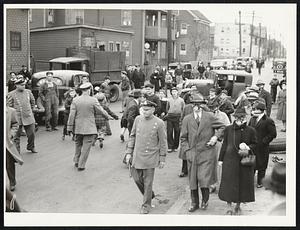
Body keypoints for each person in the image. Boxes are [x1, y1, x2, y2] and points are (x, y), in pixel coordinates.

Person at [180, 94, 225, 212]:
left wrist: (215, 137)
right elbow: (183, 138)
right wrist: (187, 151)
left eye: (199, 104)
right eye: (194, 104)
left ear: (203, 105)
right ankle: (194, 203)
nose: (197, 107)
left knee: (204, 179)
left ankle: (205, 201)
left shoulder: (209, 117)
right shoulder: (187, 119)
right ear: (191, 105)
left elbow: (222, 127)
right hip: (192, 154)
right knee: (193, 180)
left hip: (207, 152)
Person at [125, 100, 167, 214]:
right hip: (137, 156)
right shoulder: (138, 119)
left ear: (153, 110)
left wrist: (162, 158)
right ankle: (150, 195)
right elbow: (132, 136)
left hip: (150, 156)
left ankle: (146, 205)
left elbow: (163, 142)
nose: (145, 111)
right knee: (137, 178)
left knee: (148, 182)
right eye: (143, 109)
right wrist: (129, 152)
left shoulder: (159, 123)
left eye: (147, 109)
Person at [218, 107, 257, 215]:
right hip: (229, 160)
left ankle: (238, 206)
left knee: (242, 184)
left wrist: (248, 147)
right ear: (234, 118)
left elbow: (255, 144)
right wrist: (220, 159)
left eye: (242, 117)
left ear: (245, 117)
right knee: (228, 184)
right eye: (238, 117)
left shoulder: (251, 130)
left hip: (244, 161)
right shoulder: (228, 129)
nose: (240, 119)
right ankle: (229, 206)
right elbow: (225, 144)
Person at [67, 83, 109, 171]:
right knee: (86, 146)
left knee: (78, 144)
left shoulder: (75, 100)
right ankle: (81, 165)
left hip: (78, 127)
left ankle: (76, 160)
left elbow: (71, 115)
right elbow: (101, 110)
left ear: (82, 90)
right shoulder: (93, 100)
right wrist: (107, 116)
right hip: (89, 128)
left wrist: (69, 127)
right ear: (89, 90)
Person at [178, 94, 209, 178]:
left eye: (198, 103)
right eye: (194, 103)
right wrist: (183, 127)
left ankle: (197, 171)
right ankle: (184, 170)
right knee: (185, 151)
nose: (196, 105)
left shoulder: (205, 109)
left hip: (200, 133)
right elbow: (181, 119)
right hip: (188, 133)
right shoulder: (187, 108)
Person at [248, 102, 277, 188]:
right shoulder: (252, 119)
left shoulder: (268, 121)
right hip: (253, 146)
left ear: (260, 110)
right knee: (252, 163)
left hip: (263, 147)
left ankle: (260, 182)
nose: (254, 111)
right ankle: (250, 180)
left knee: (262, 165)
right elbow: (249, 129)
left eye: (256, 109)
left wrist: (264, 141)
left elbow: (273, 134)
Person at [7, 76, 37, 154]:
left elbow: (33, 102)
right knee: (16, 137)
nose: (23, 86)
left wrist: (32, 110)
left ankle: (31, 146)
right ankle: (17, 151)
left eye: (24, 85)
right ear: (16, 85)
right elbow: (9, 107)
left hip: (28, 116)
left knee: (32, 134)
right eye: (21, 85)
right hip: (17, 118)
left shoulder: (28, 92)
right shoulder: (11, 94)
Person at [6, 104, 24, 191]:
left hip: (6, 142)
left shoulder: (11, 111)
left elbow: (15, 124)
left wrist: (11, 134)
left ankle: (12, 182)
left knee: (9, 163)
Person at [165, 87, 185, 152]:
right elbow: (167, 108)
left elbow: (183, 109)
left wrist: (182, 117)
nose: (174, 93)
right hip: (170, 116)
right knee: (169, 131)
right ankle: (170, 146)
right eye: (173, 92)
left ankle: (176, 146)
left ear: (177, 92)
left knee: (177, 131)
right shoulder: (169, 100)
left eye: (175, 92)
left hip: (178, 116)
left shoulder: (181, 100)